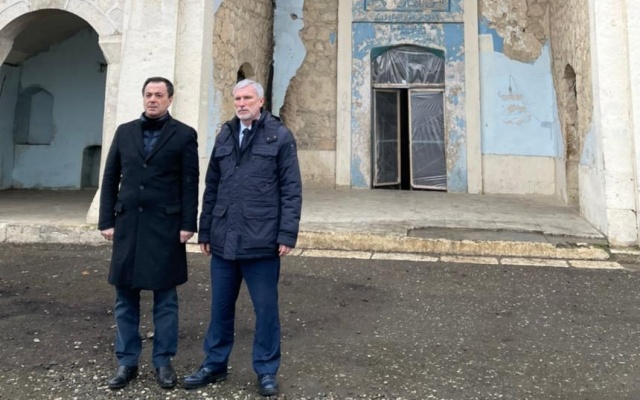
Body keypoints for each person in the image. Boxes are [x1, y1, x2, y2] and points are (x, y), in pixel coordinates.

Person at [183, 79, 302, 397]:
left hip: (262, 241)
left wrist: (287, 233)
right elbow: (212, 186)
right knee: (220, 309)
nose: (241, 103)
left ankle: (266, 370)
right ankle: (214, 365)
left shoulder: (279, 136)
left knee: (266, 311)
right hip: (224, 239)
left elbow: (291, 189)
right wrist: (205, 230)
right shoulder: (224, 134)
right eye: (237, 98)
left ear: (261, 102)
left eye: (247, 98)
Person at [98, 77, 199, 390]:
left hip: (165, 228)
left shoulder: (184, 135)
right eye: (148, 94)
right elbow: (111, 176)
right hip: (128, 225)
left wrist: (188, 224)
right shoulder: (124, 132)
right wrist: (106, 220)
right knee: (124, 298)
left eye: (158, 95)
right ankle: (127, 362)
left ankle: (163, 361)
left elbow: (189, 183)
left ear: (170, 99)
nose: (152, 99)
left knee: (165, 300)